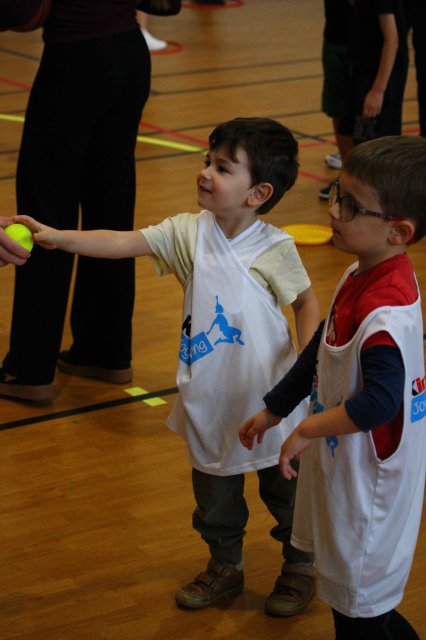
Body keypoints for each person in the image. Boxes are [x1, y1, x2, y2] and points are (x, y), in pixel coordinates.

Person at [14, 117, 320, 616]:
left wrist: (306, 368)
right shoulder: (188, 233)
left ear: (258, 193)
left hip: (272, 403)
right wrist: (60, 237)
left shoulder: (274, 247)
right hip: (210, 400)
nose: (205, 172)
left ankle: (301, 566)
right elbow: (123, 242)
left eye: (223, 168)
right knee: (214, 501)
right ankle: (226, 566)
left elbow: (306, 302)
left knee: (287, 494)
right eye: (207, 161)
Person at [240, 135, 426, 639]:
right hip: (349, 472)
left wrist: (308, 429)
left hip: (372, 493)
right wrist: (277, 409)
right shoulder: (358, 272)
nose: (335, 210)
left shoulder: (385, 314)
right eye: (338, 195)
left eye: (352, 206)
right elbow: (322, 350)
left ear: (399, 232)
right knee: (363, 611)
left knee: (360, 613)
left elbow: (380, 403)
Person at [0, 0, 181, 404]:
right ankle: (104, 351)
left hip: (75, 58)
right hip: (130, 55)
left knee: (43, 215)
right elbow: (166, 4)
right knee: (111, 206)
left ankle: (29, 369)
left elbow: (21, 10)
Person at [320, 0, 409, 200]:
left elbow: (392, 39)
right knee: (349, 130)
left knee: (371, 138)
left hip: (376, 77)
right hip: (360, 70)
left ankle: (378, 193)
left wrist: (378, 90)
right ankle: (354, 185)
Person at [320, 0, 352, 177]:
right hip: (334, 38)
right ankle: (346, 171)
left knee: (362, 112)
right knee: (336, 108)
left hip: (364, 43)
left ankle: (361, 170)